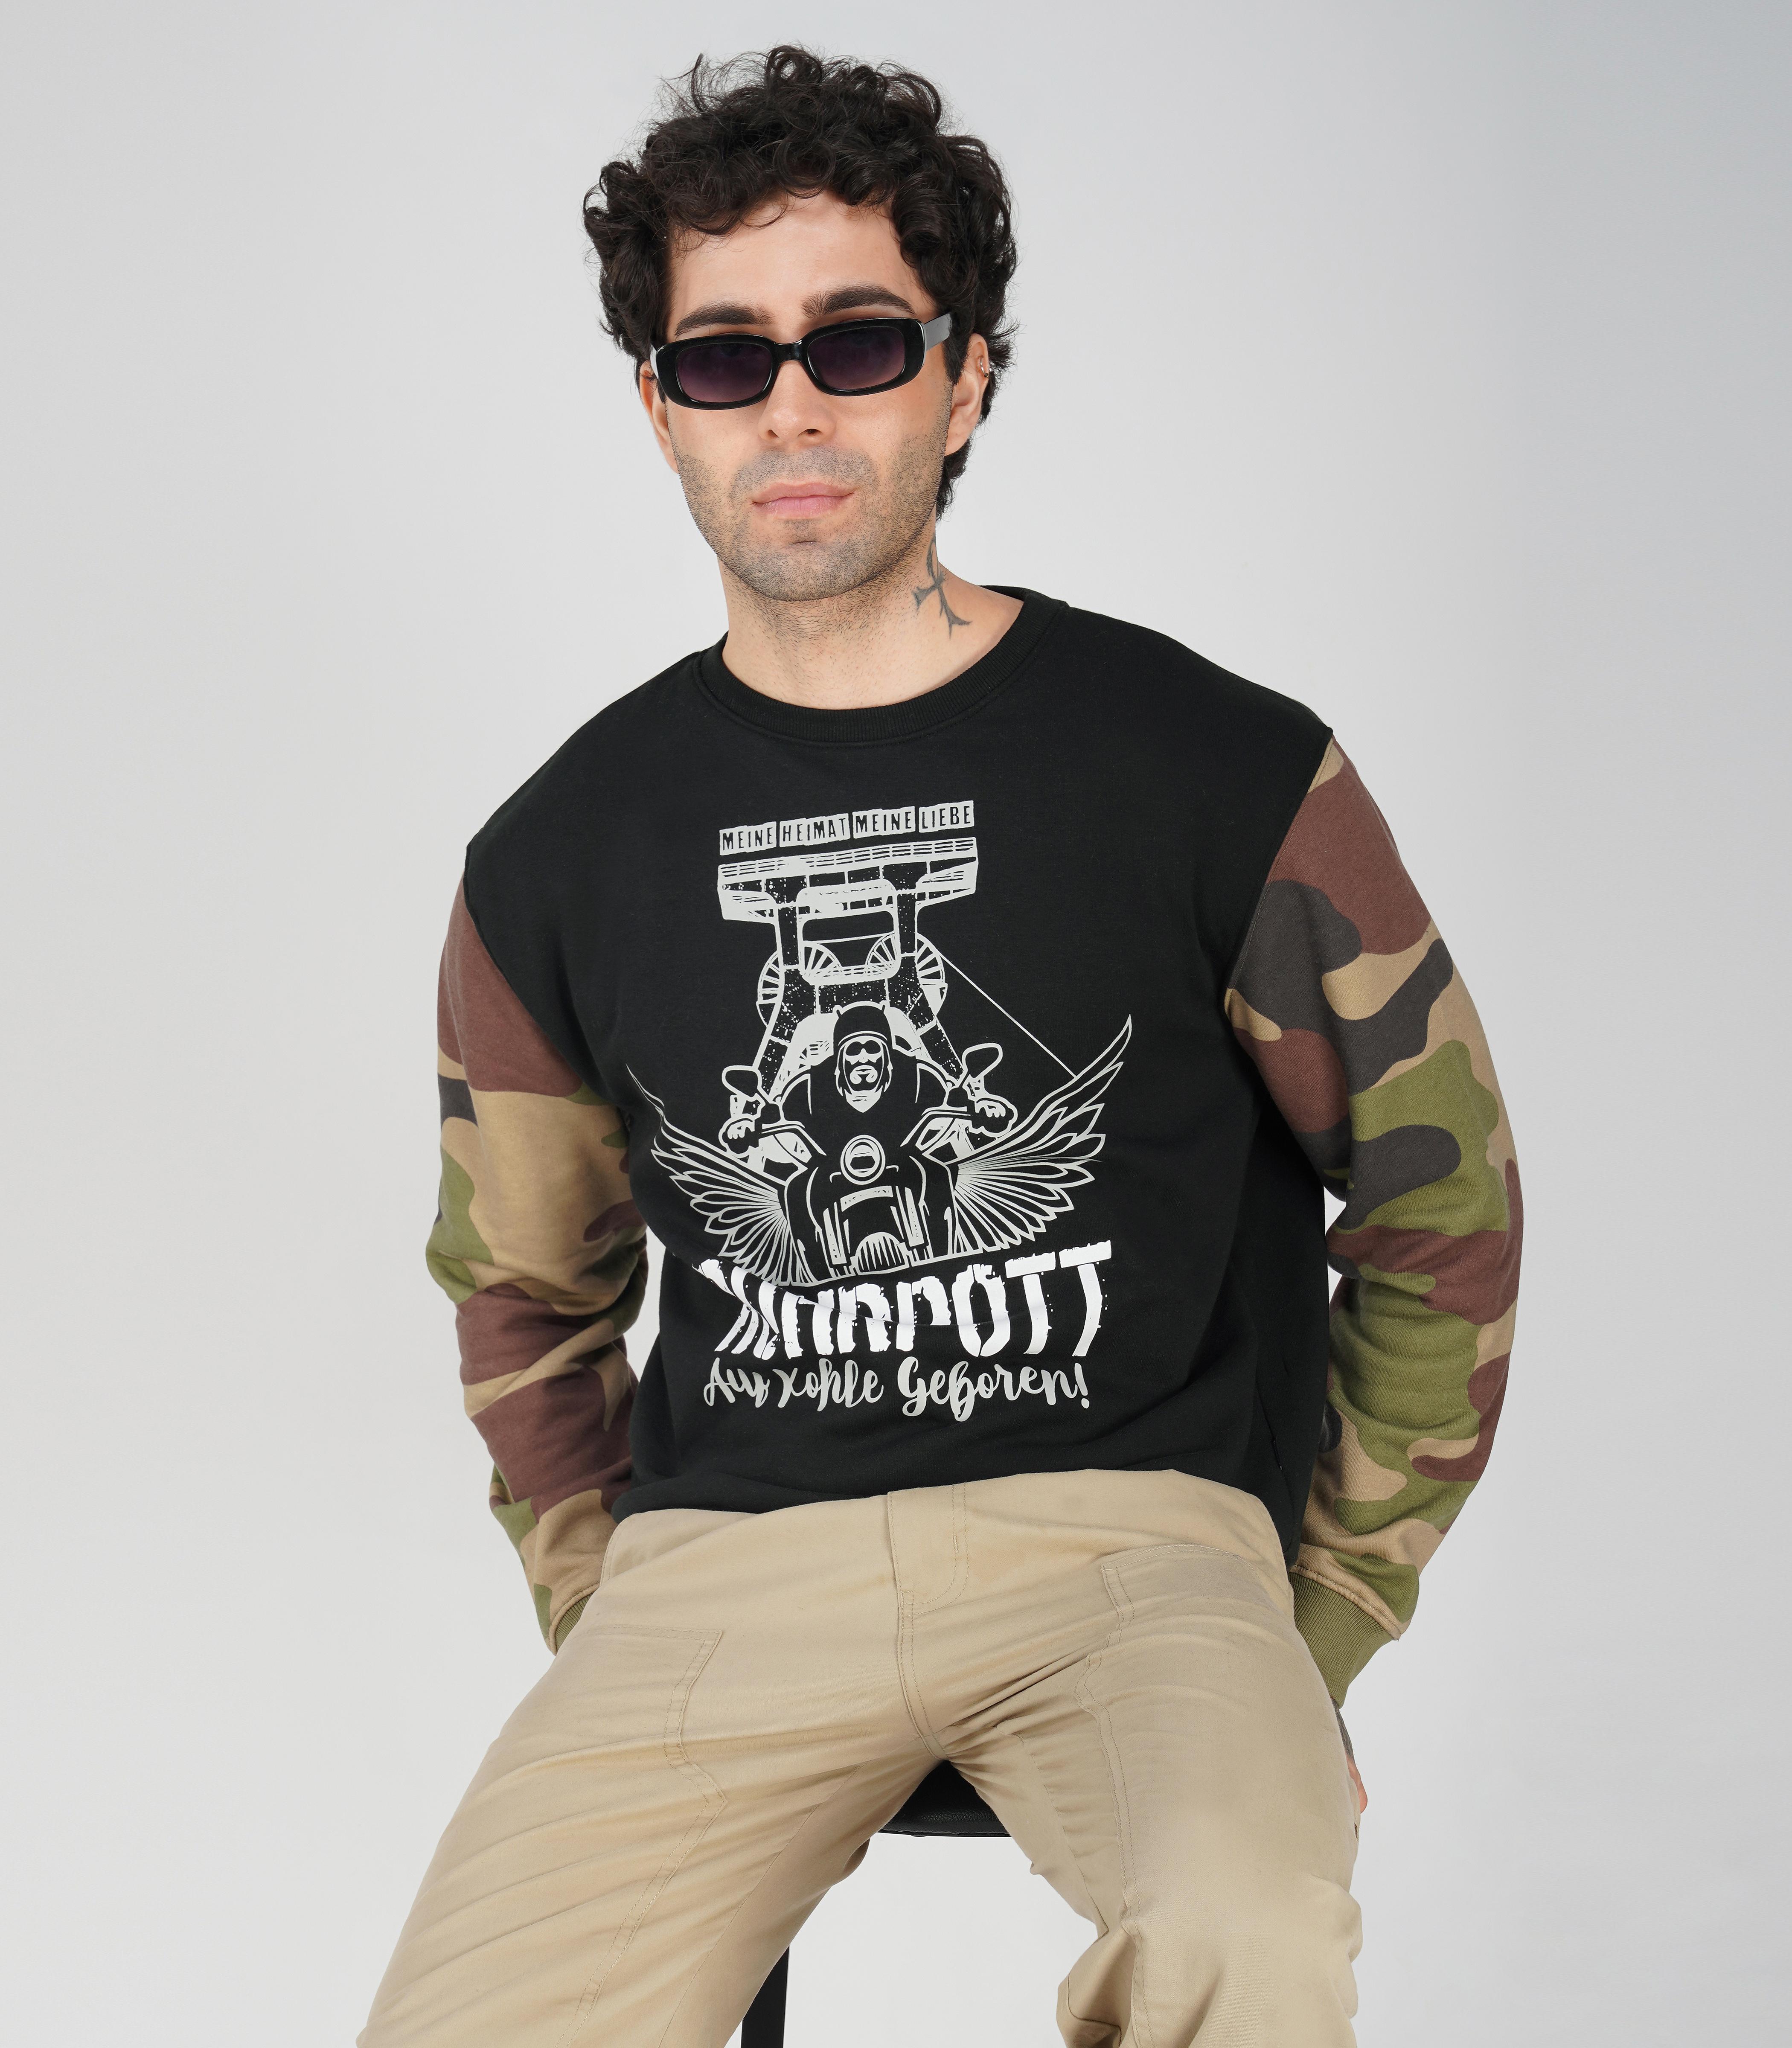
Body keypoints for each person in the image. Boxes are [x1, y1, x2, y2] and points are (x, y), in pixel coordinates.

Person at [363, 45, 1521, 2048]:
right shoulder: (557, 854)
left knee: (1246, 1936)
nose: (791, 405)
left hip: (1136, 1545)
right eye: (723, 355)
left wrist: (1319, 1622)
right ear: (659, 406)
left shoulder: (1218, 770)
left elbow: (1444, 1210)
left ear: (965, 380)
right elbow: (526, 1300)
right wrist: (606, 1616)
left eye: (859, 342)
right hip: (726, 1572)